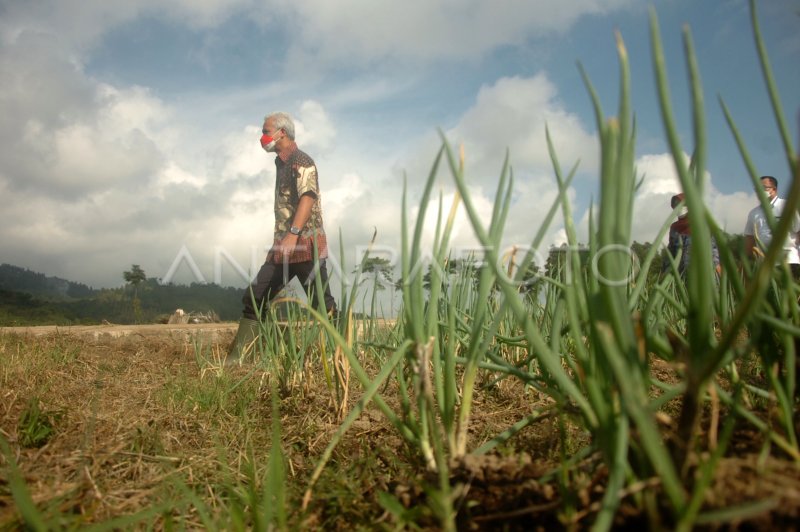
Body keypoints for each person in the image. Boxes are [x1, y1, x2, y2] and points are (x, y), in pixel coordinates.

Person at [229, 111, 338, 362]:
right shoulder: (281, 163)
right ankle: (244, 356)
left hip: (304, 244)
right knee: (255, 297)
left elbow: (308, 197)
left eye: (266, 131)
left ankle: (337, 354)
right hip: (283, 246)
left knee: (322, 304)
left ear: (282, 133)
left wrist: (293, 234)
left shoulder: (302, 161)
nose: (263, 137)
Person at [743, 175, 800, 276]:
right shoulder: (753, 213)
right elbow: (749, 240)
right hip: (764, 265)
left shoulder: (787, 206)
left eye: (763, 188)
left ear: (774, 189)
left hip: (788, 262)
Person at [662, 192, 721, 276]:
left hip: (701, 274)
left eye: (682, 204)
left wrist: (717, 268)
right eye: (676, 205)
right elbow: (671, 252)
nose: (679, 208)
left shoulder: (702, 225)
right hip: (680, 275)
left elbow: (712, 250)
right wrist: (666, 271)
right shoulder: (674, 228)